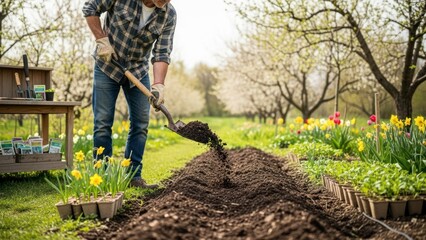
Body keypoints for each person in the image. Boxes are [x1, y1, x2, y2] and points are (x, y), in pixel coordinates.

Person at [82, 0, 176, 188]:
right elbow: (90, 8)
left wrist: (158, 85)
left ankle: (133, 177)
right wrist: (101, 40)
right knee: (102, 122)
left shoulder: (168, 14)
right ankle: (102, 176)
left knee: (141, 123)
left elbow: (161, 53)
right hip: (107, 65)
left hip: (138, 71)